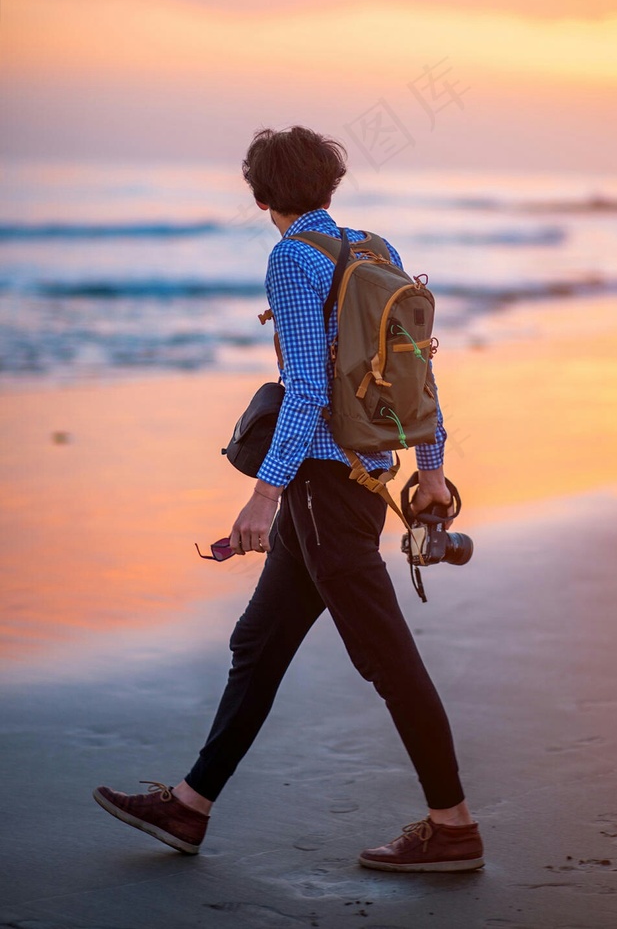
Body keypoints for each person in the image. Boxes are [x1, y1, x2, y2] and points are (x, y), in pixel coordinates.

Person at [93, 126, 484, 873]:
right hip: (364, 480)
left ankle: (453, 825)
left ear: (261, 195)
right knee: (259, 644)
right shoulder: (376, 250)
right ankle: (190, 805)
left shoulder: (290, 259)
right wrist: (429, 468)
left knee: (388, 660)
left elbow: (305, 388)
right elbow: (417, 377)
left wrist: (262, 495)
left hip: (320, 489)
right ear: (331, 186)